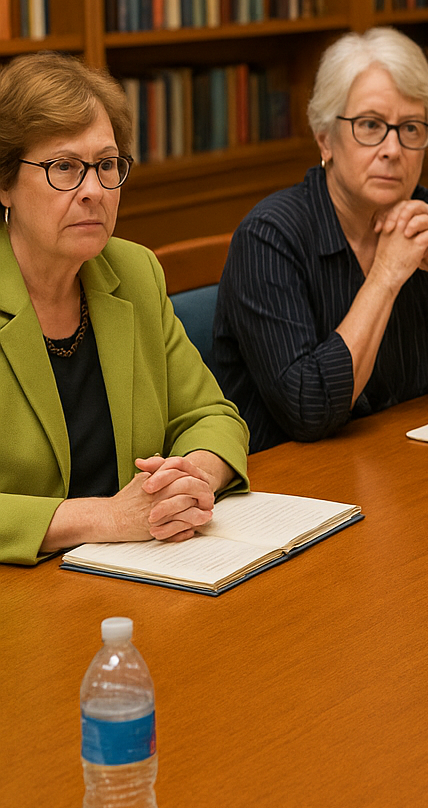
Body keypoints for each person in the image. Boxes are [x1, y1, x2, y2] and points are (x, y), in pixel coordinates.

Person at [213, 28, 428, 454]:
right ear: (325, 139)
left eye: (411, 128)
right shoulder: (269, 237)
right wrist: (386, 275)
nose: (393, 149)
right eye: (370, 126)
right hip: (293, 479)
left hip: (400, 457)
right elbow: (308, 410)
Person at [0, 53, 248, 566]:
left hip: (143, 568)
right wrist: (108, 518)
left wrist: (189, 481)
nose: (93, 191)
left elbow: (211, 416)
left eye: (107, 165)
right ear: (4, 184)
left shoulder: (133, 272)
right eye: (64, 167)